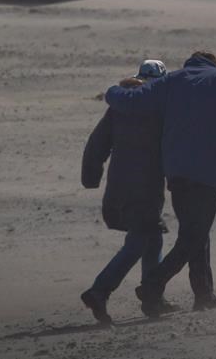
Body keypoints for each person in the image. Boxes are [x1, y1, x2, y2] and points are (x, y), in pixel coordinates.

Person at [104, 51, 216, 317]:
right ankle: (152, 284)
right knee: (194, 235)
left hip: (176, 172)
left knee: (196, 232)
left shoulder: (172, 80)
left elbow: (133, 100)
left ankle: (203, 294)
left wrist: (112, 91)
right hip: (208, 171)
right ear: (215, 65)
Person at [79, 59, 176, 325]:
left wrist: (91, 176)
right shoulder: (158, 109)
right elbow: (172, 145)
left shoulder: (119, 108)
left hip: (120, 184)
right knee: (138, 243)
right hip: (144, 186)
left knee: (152, 237)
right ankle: (99, 291)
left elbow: (96, 143)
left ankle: (153, 298)